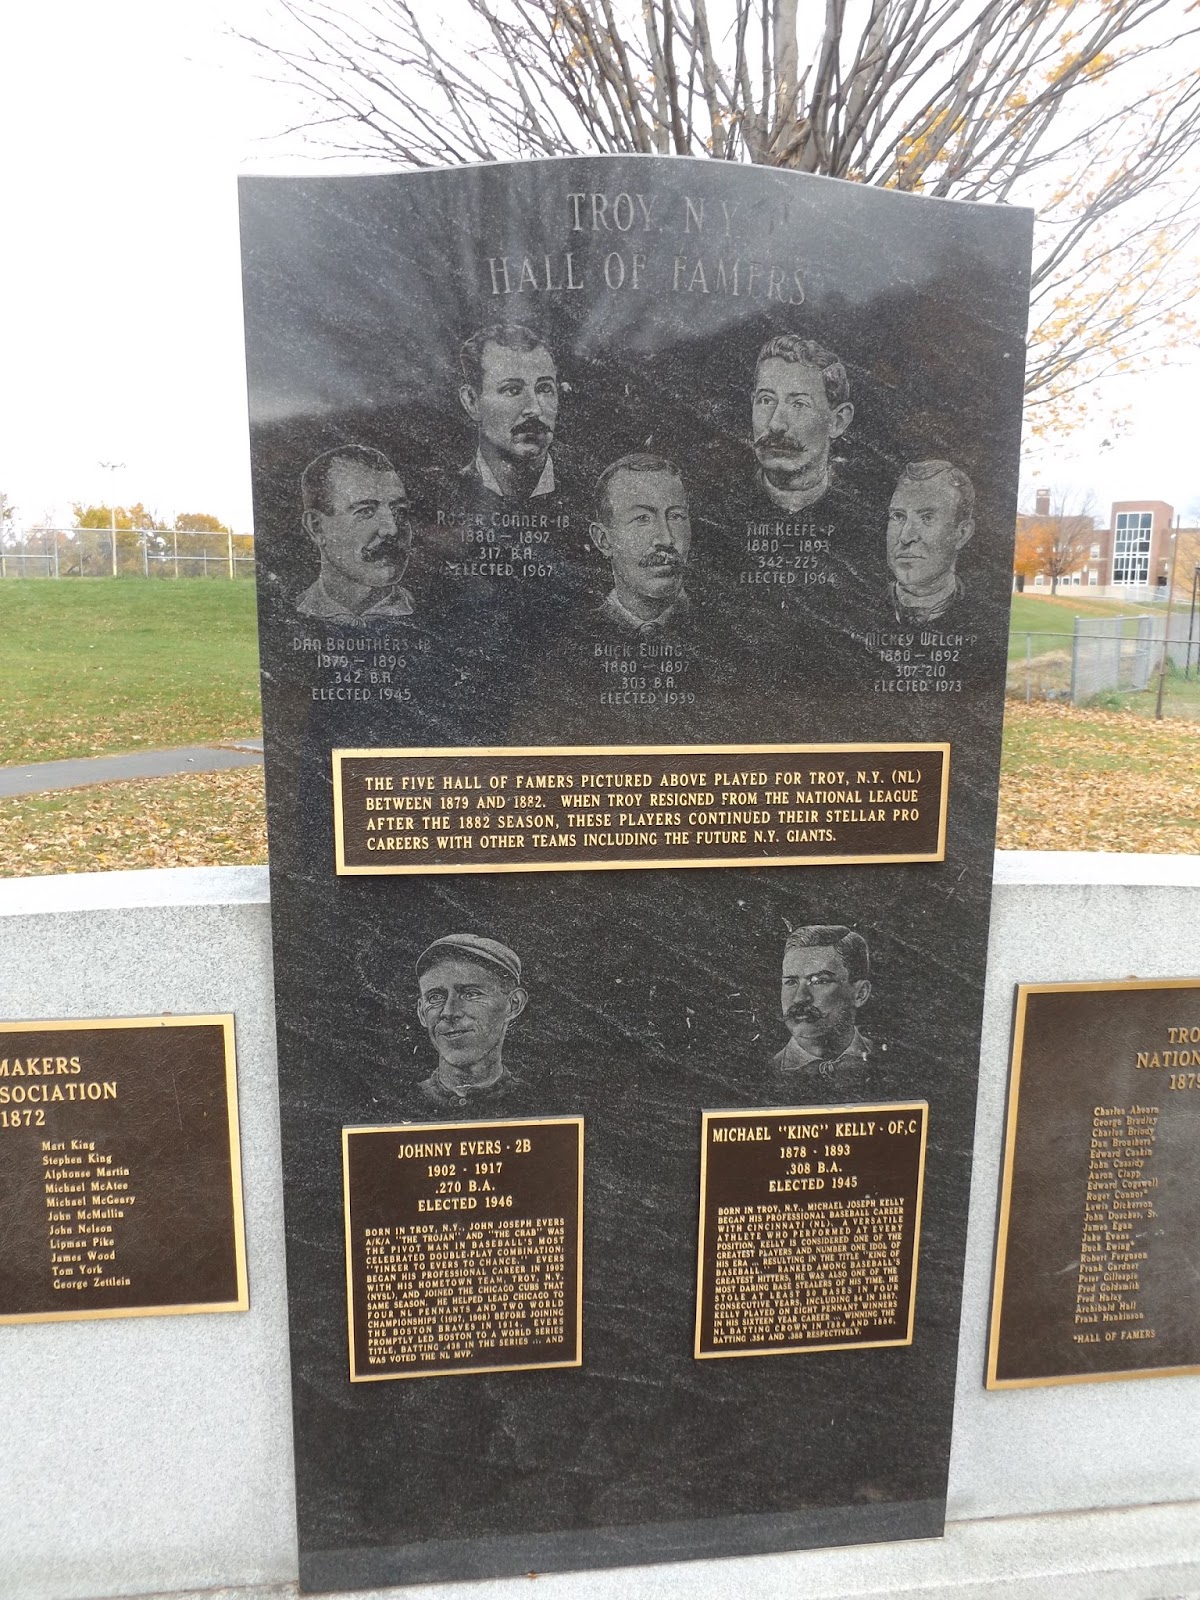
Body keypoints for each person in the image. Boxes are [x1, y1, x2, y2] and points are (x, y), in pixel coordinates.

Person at [296, 445, 415, 621]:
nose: (391, 529)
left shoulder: (442, 614)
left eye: (400, 511)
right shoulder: (287, 613)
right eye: (366, 511)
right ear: (316, 527)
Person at [414, 934, 528, 1110]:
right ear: (422, 1013)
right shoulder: (396, 1106)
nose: (449, 1012)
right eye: (435, 997)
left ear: (513, 1004)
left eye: (471, 994)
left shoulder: (543, 1104)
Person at [454, 324, 561, 508]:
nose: (535, 409)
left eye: (544, 388)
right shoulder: (449, 494)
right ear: (472, 401)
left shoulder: (591, 495)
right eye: (513, 390)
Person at [590, 453, 693, 636]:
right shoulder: (569, 638)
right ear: (604, 540)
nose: (666, 539)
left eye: (676, 516)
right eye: (642, 519)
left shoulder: (732, 633)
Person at [751, 335, 853, 514]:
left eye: (799, 404)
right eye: (766, 400)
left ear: (838, 421)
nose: (776, 425)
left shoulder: (863, 509)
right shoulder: (717, 505)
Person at [768, 925, 873, 1094]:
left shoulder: (891, 1063)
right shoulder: (762, 1073)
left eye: (819, 981)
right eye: (791, 982)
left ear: (860, 994)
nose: (799, 998)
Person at [886, 460, 975, 624]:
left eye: (927, 518)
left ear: (962, 534)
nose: (906, 537)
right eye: (898, 516)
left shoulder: (984, 615)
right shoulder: (855, 607)